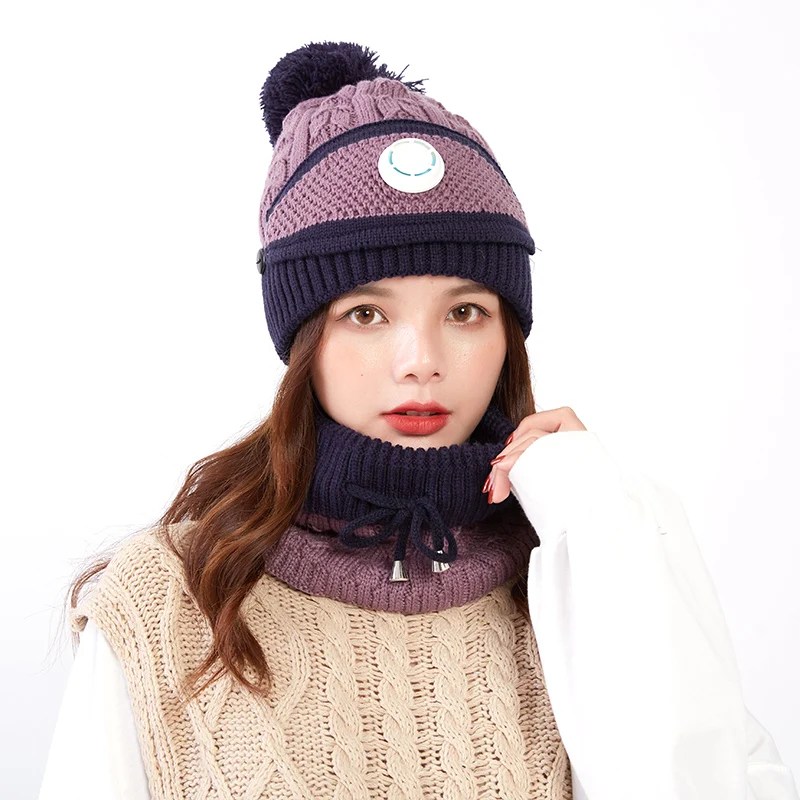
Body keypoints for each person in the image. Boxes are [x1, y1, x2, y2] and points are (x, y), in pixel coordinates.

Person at [39, 41, 798, 800]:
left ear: (507, 332)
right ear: (303, 338)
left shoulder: (587, 560)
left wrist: (603, 528)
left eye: (465, 312)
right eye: (367, 313)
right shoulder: (170, 597)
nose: (422, 361)